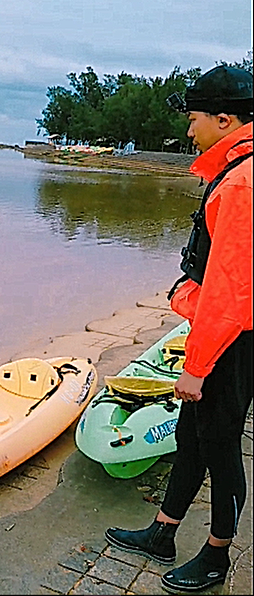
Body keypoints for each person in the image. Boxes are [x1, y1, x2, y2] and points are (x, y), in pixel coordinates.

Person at [104, 65, 253, 594]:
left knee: (219, 444)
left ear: (224, 118)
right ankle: (163, 533)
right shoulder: (235, 171)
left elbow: (231, 292)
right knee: (191, 435)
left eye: (193, 120)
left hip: (233, 340)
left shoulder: (241, 183)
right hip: (225, 333)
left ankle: (217, 556)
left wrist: (195, 367)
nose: (189, 132)